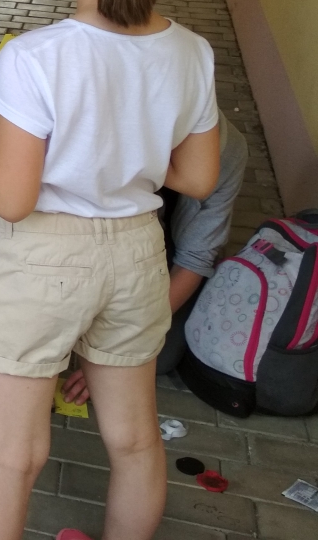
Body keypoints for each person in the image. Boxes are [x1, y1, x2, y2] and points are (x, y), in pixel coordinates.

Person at [0, 0, 220, 540]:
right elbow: (197, 179)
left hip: (41, 258)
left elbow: (10, 198)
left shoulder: (34, 57)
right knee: (135, 442)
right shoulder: (192, 52)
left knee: (12, 457)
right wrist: (128, 145)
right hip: (137, 256)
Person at [62, 115, 248, 406]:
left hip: (168, 246)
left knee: (158, 355)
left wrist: (116, 352)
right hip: (106, 233)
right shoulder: (112, 132)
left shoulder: (229, 149)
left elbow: (195, 258)